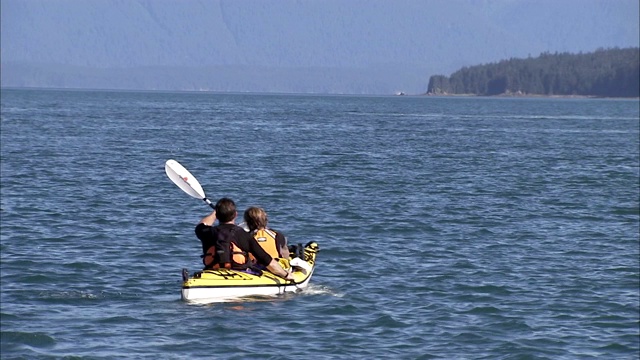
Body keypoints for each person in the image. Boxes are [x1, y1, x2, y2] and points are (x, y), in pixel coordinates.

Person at [194, 197, 294, 281]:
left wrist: (215, 213)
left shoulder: (206, 232)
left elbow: (202, 224)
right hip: (238, 274)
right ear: (235, 215)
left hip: (212, 273)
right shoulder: (243, 234)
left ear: (217, 215)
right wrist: (285, 275)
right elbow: (266, 260)